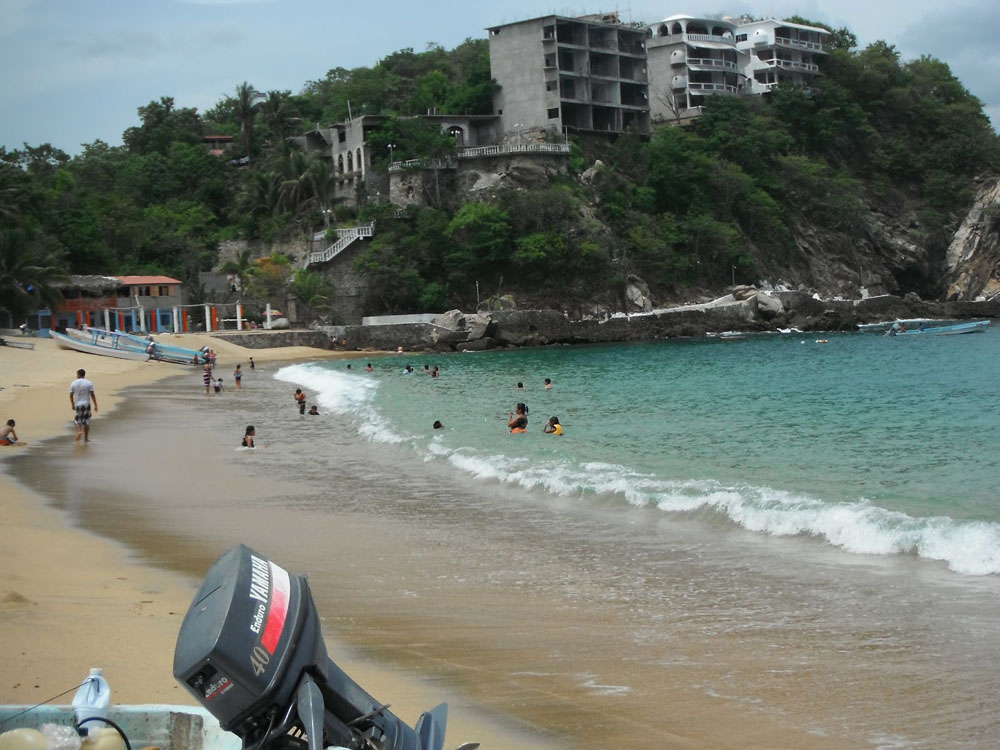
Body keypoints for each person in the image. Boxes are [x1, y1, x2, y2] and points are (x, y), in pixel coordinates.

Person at [69, 368, 98, 442]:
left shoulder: (73, 383)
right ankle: (86, 438)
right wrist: (95, 405)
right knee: (87, 421)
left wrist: (72, 404)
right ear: (84, 375)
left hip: (78, 404)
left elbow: (71, 394)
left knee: (77, 420)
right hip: (87, 404)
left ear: (78, 374)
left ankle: (79, 431)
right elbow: (92, 394)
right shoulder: (89, 383)